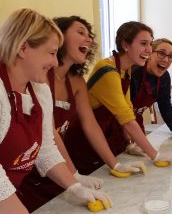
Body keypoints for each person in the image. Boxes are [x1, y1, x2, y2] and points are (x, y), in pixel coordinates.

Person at [19, 16, 143, 212]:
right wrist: (74, 175)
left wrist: (115, 164)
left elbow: (90, 125)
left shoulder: (76, 81)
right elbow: (48, 135)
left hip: (57, 168)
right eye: (80, 32)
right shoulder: (39, 77)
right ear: (59, 36)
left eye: (89, 35)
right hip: (31, 174)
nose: (89, 39)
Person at [0, 9, 109, 214]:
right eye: (51, 53)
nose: (55, 63)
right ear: (23, 48)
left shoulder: (39, 89)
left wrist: (74, 186)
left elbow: (45, 147)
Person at [64, 21, 172, 168]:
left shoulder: (125, 70)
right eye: (143, 43)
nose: (148, 50)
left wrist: (129, 143)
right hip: (83, 141)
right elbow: (126, 118)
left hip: (104, 136)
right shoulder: (107, 70)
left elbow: (128, 109)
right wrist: (155, 155)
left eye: (150, 44)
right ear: (125, 45)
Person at [130, 38, 172, 148]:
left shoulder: (164, 77)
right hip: (116, 125)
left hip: (136, 122)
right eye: (161, 53)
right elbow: (120, 112)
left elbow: (165, 105)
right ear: (150, 53)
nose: (166, 60)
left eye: (170, 56)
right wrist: (127, 141)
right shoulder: (134, 73)